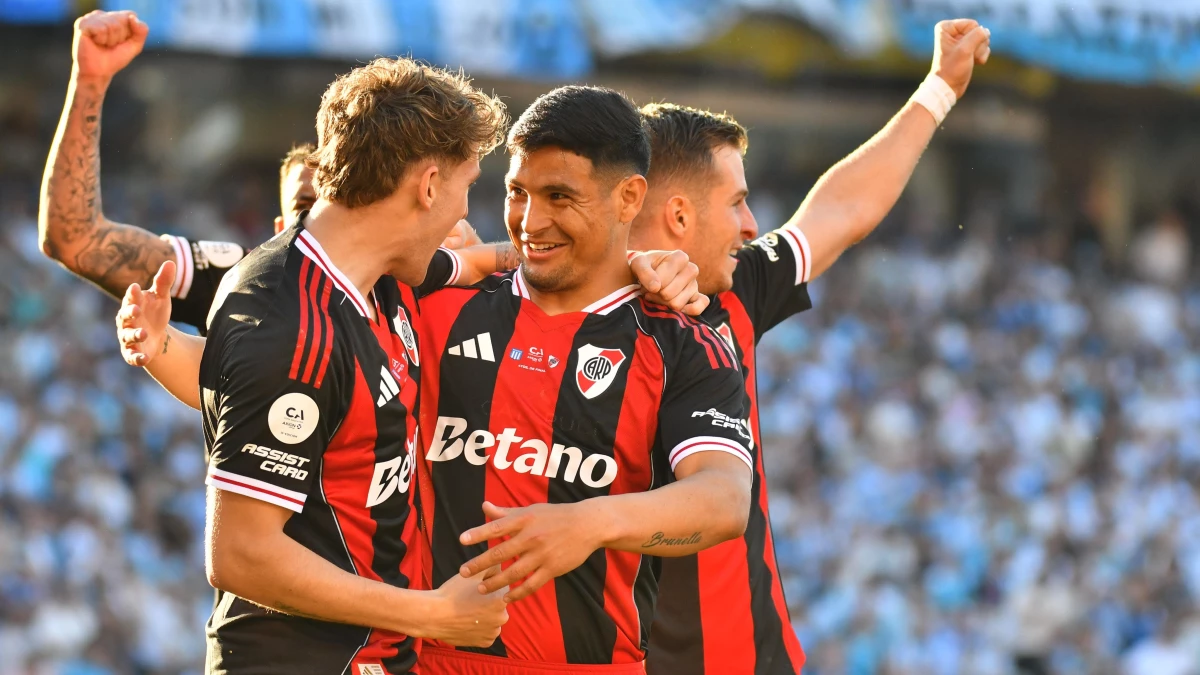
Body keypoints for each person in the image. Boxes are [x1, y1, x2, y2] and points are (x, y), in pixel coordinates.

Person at [119, 85, 755, 675]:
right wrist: (161, 346)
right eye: (515, 193)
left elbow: (723, 501)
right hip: (426, 660)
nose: (530, 221)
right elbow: (284, 389)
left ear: (628, 199)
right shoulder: (427, 300)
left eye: (559, 197)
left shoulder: (685, 342)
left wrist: (590, 523)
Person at [621, 18, 993, 675]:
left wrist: (939, 88)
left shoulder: (734, 292)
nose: (752, 223)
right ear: (679, 215)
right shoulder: (565, 324)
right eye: (736, 202)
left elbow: (840, 212)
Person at [36, 10, 482, 333]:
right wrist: (90, 82)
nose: (321, 220)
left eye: (341, 203)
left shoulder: (421, 286)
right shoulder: (249, 284)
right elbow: (75, 238)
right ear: (277, 226)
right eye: (305, 206)